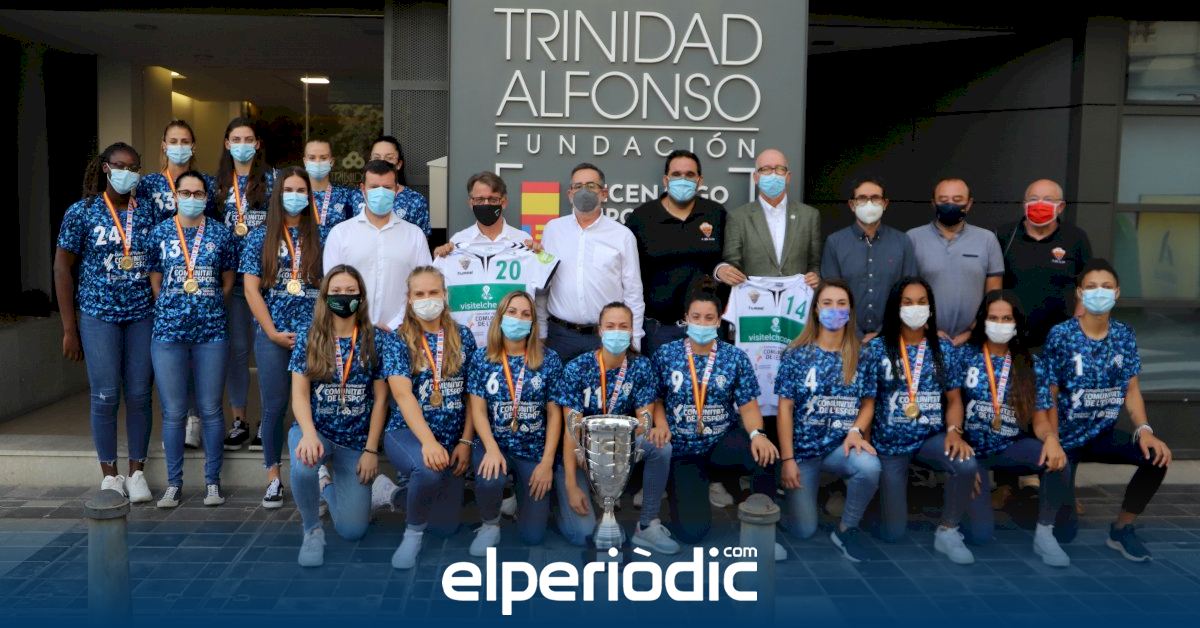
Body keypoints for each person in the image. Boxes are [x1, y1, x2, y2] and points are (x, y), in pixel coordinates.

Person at [1042, 259, 1171, 562]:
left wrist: (1145, 430)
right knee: (1065, 533)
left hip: (1103, 433)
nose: (1098, 292)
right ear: (1079, 293)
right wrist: (1052, 439)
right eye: (1091, 287)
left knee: (1157, 457)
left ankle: (1122, 529)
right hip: (1067, 438)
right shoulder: (1061, 335)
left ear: (1117, 292)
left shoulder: (1124, 335)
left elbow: (1132, 390)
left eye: (1106, 286)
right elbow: (1049, 394)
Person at [53, 142, 155, 502]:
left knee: (140, 394)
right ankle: (110, 475)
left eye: (134, 167)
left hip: (142, 315)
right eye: (121, 165)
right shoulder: (82, 212)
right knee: (105, 394)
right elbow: (62, 268)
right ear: (106, 168)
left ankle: (137, 472)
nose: (128, 172)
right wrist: (69, 328)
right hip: (98, 316)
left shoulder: (149, 212)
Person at [652, 280, 784, 556]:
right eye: (696, 317)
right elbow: (656, 400)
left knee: (766, 455)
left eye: (708, 318)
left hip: (721, 441)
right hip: (684, 449)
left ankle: (762, 528)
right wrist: (661, 425)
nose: (702, 323)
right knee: (692, 533)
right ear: (686, 319)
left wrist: (758, 435)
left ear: (718, 320)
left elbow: (748, 406)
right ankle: (692, 491)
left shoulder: (734, 357)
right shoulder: (666, 354)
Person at [857, 277, 978, 564]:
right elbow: (868, 403)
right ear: (896, 307)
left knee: (966, 462)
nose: (915, 308)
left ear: (931, 308)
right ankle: (880, 507)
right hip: (890, 446)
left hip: (930, 439)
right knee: (893, 532)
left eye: (922, 302)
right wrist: (868, 446)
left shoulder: (943, 349)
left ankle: (948, 530)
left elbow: (954, 400)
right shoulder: (877, 349)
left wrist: (954, 431)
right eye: (908, 302)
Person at [552, 302, 678, 553]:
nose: (616, 332)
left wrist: (611, 450)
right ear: (600, 330)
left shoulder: (641, 366)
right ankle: (559, 500)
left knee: (660, 448)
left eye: (623, 326)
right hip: (580, 452)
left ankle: (647, 524)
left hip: (619, 446)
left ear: (632, 331)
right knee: (583, 534)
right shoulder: (577, 368)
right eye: (610, 326)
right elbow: (571, 430)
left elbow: (644, 423)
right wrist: (571, 485)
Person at [957, 290, 1072, 566]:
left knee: (1058, 462)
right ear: (982, 321)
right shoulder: (963, 357)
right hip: (971, 451)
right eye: (993, 318)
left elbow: (1040, 419)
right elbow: (949, 407)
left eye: (1007, 318)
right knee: (980, 535)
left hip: (1010, 446)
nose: (1000, 324)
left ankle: (1044, 534)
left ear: (1017, 322)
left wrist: (1051, 438)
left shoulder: (1031, 363)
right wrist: (963, 464)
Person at [289, 265, 392, 567]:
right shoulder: (310, 336)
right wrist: (309, 434)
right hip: (317, 431)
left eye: (350, 291)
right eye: (336, 291)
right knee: (304, 465)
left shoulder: (375, 339)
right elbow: (299, 394)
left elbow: (381, 399)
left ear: (361, 296)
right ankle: (312, 531)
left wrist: (371, 450)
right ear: (325, 296)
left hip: (355, 443)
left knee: (352, 530)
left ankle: (326, 485)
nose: (343, 296)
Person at [376, 266, 478, 569]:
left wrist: (465, 441)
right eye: (419, 294)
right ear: (409, 299)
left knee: (445, 526)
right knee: (427, 471)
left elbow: (472, 396)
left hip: (453, 438)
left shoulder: (463, 336)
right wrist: (429, 443)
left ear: (445, 295)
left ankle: (393, 494)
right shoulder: (398, 339)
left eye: (433, 292)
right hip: (407, 433)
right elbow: (403, 395)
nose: (427, 299)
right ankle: (412, 535)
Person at [146, 171, 236, 508]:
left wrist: (209, 304)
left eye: (198, 193)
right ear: (176, 196)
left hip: (211, 333)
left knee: (211, 409)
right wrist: (171, 306)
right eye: (185, 192)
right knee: (173, 413)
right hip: (168, 333)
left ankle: (213, 483)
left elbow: (228, 279)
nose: (192, 198)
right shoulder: (159, 233)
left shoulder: (220, 234)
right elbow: (155, 278)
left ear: (206, 198)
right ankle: (174, 484)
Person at [775, 280, 879, 563]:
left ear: (850, 310)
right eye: (828, 303)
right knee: (804, 531)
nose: (835, 309)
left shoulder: (863, 354)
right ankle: (790, 499)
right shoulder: (796, 354)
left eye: (841, 303)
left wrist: (856, 430)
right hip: (803, 453)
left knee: (870, 467)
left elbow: (868, 402)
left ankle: (846, 529)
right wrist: (788, 460)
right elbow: (784, 409)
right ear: (816, 309)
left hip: (840, 447)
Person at [241, 166, 324, 509]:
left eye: (301, 190)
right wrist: (272, 332)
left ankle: (320, 472)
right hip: (272, 334)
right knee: (274, 406)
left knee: (316, 404)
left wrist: (320, 331)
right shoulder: (259, 237)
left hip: (315, 336)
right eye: (288, 190)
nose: (295, 196)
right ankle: (273, 476)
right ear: (278, 195)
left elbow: (331, 287)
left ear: (309, 196)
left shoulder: (323, 235)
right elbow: (250, 288)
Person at [137, 120, 220, 449]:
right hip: (161, 279)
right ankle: (176, 419)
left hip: (201, 283)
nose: (179, 146)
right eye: (173, 140)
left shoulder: (206, 182)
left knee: (200, 358)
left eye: (185, 141)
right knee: (169, 359)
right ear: (163, 144)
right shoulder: (148, 185)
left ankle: (195, 419)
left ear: (193, 146)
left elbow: (213, 228)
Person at [467, 290, 564, 555]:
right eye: (512, 312)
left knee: (533, 537)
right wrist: (491, 448)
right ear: (500, 317)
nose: (518, 319)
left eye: (525, 314)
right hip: (494, 444)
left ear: (533, 322)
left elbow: (555, 415)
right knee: (490, 478)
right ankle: (490, 525)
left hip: (532, 449)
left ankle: (516, 501)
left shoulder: (549, 360)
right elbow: (478, 411)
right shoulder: (481, 358)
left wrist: (546, 462)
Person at [541, 163, 643, 362]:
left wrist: (634, 340)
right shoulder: (553, 230)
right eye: (578, 186)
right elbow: (544, 285)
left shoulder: (622, 235)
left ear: (604, 193)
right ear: (570, 194)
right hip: (560, 337)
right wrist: (541, 332)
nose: (584, 191)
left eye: (591, 185)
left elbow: (633, 293)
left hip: (606, 337)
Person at [626, 150, 724, 357]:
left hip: (705, 327)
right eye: (677, 174)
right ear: (666, 180)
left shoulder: (716, 214)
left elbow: (728, 260)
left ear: (699, 180)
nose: (683, 180)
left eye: (690, 175)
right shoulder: (642, 218)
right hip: (658, 331)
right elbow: (628, 273)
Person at [217, 117, 277, 452]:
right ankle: (239, 420)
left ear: (258, 144)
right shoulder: (215, 184)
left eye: (248, 138)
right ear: (227, 143)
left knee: (267, 352)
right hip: (233, 282)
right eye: (236, 139)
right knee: (237, 352)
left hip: (267, 281)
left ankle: (268, 421)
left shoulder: (273, 180)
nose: (242, 144)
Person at [323, 160, 431, 331]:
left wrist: (396, 324)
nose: (380, 193)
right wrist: (358, 324)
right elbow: (332, 289)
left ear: (396, 190)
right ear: (363, 189)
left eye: (387, 187)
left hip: (402, 332)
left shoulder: (415, 235)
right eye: (374, 187)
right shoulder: (340, 234)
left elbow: (424, 286)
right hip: (353, 331)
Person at [907, 178, 1004, 346]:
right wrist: (926, 329)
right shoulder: (912, 238)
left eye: (957, 199)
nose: (950, 205)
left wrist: (974, 330)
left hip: (974, 341)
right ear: (933, 203)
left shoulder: (987, 240)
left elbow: (994, 294)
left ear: (969, 203)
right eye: (943, 200)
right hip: (924, 339)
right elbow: (904, 293)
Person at [997, 179, 1092, 347]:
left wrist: (1076, 326)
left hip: (1060, 337)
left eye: (1048, 199)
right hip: (1010, 335)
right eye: (1033, 199)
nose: (1039, 204)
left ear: (1060, 207)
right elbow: (992, 282)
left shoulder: (1075, 238)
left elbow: (1086, 285)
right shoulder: (1004, 235)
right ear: (1024, 204)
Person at [821, 177, 918, 339]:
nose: (869, 203)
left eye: (875, 198)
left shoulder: (902, 242)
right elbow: (831, 295)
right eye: (862, 198)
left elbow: (909, 293)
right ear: (852, 205)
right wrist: (856, 334)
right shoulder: (835, 243)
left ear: (885, 203)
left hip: (891, 338)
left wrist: (882, 332)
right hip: (846, 337)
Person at [718, 148, 821, 287]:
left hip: (797, 298)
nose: (773, 174)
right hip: (753, 298)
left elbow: (814, 264)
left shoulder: (809, 216)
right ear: (756, 177)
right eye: (765, 169)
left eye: (779, 169)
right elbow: (732, 265)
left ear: (788, 177)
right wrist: (726, 272)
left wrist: (815, 276)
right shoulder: (738, 217)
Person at [351, 135, 430, 236]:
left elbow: (421, 239)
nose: (382, 162)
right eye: (376, 158)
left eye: (389, 158)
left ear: (399, 164)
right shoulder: (356, 196)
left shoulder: (415, 200)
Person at [435, 171, 530, 253]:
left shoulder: (523, 241)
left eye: (493, 199)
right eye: (479, 200)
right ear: (471, 203)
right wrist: (439, 259)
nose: (486, 204)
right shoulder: (457, 241)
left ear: (504, 203)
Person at [303, 138, 354, 244]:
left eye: (323, 158)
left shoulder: (345, 195)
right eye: (312, 158)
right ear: (305, 161)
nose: (317, 162)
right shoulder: (297, 195)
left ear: (332, 161)